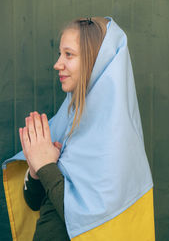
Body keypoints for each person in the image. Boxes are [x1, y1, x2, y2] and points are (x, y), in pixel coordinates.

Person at [2, 16, 155, 241]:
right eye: (59, 54)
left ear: (95, 62)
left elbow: (89, 223)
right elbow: (35, 201)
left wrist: (45, 165)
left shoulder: (115, 141)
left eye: (69, 54)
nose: (57, 64)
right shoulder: (66, 122)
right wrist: (36, 170)